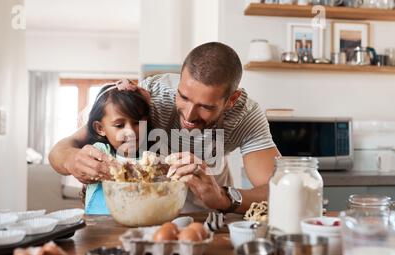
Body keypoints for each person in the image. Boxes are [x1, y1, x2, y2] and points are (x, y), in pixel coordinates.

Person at [49, 42, 280, 214]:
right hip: (154, 210)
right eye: (184, 97)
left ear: (231, 100)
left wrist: (224, 197)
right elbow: (60, 151)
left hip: (209, 209)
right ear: (179, 81)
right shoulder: (152, 95)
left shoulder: (246, 116)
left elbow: (278, 189)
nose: (189, 115)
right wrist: (72, 159)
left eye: (206, 107)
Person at [82, 83, 150, 214]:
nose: (130, 131)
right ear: (100, 128)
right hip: (97, 226)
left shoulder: (148, 159)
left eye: (137, 123)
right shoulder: (100, 152)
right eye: (119, 125)